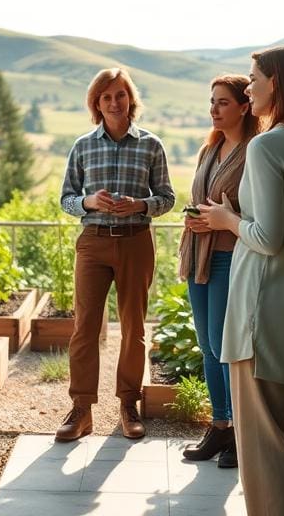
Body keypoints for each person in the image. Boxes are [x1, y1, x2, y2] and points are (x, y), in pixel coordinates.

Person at [199, 45, 284, 516]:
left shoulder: (266, 145)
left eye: (255, 77)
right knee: (281, 437)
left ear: (276, 82)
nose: (250, 85)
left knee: (262, 450)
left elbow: (267, 236)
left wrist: (226, 219)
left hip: (264, 317)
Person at [57, 67, 175, 441]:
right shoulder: (83, 146)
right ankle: (81, 409)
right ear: (96, 103)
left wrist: (140, 205)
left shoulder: (151, 145)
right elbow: (66, 199)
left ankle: (128, 403)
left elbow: (167, 199)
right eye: (105, 96)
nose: (113, 102)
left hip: (136, 241)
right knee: (85, 328)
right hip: (92, 242)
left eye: (120, 95)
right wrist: (88, 202)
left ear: (130, 100)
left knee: (133, 328)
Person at [178, 74, 260, 467]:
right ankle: (220, 427)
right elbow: (203, 200)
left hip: (231, 256)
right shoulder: (208, 150)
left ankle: (241, 437)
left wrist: (220, 220)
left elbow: (256, 212)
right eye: (212, 101)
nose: (213, 109)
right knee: (208, 348)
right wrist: (195, 218)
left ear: (245, 106)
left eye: (223, 102)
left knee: (225, 346)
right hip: (200, 256)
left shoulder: (254, 152)